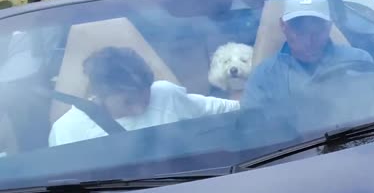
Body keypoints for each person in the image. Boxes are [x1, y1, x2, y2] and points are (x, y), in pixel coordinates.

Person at [49, 47, 240, 147]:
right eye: (128, 102)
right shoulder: (68, 130)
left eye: (144, 96)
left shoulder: (166, 94)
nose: (140, 108)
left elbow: (226, 108)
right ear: (100, 94)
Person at [240, 0, 372, 112]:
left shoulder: (359, 61)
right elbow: (253, 128)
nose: (309, 41)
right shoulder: (264, 77)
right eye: (299, 30)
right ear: (283, 26)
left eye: (317, 29)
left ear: (329, 26)